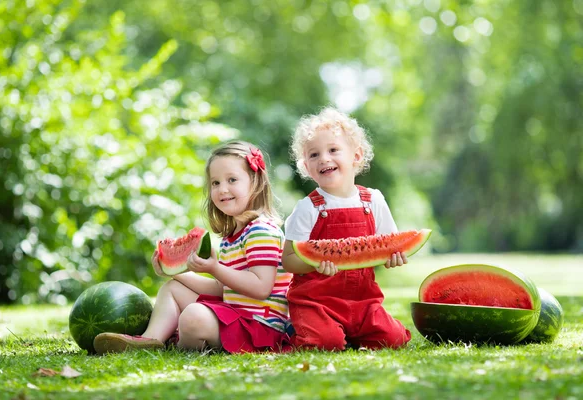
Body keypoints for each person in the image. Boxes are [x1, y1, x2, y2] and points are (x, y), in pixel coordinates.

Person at [94, 141, 293, 354]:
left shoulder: (261, 230)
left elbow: (261, 288)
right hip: (234, 315)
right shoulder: (231, 237)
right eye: (215, 183)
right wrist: (174, 273)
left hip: (259, 328)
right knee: (172, 288)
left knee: (193, 315)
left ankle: (180, 342)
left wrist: (215, 268)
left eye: (232, 180)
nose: (222, 189)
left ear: (255, 183)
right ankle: (148, 340)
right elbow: (223, 289)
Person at [282, 107, 411, 351]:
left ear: (356, 156)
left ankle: (349, 332)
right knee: (324, 343)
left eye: (333, 150)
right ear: (307, 167)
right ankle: (295, 329)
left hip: (364, 301)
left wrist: (393, 258)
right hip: (316, 302)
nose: (323, 159)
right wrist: (313, 262)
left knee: (393, 340)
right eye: (314, 155)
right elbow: (288, 260)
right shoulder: (307, 208)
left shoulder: (373, 201)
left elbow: (388, 246)